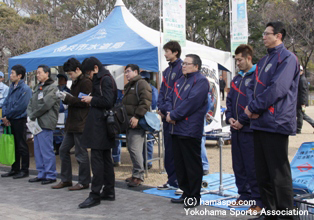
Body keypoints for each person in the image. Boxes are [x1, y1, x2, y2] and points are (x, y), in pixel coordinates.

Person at [245, 21, 299, 219]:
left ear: (279, 36)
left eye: (267, 34)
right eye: (263, 34)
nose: (264, 37)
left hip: (276, 123)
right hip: (259, 122)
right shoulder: (263, 61)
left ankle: (286, 215)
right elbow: (252, 87)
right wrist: (251, 108)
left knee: (278, 174)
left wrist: (254, 108)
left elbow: (278, 89)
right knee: (263, 172)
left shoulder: (287, 58)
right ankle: (270, 212)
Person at [166, 54, 209, 208]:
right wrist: (168, 113)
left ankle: (194, 196)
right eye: (183, 63)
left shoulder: (201, 81)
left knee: (192, 165)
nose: (183, 66)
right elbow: (170, 99)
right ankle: (185, 193)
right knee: (180, 164)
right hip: (176, 128)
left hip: (190, 129)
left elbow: (191, 103)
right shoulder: (179, 81)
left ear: (196, 66)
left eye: (187, 63)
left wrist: (174, 115)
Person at [225, 44, 262, 213]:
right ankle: (244, 195)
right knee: (238, 165)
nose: (237, 63)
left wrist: (243, 121)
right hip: (236, 130)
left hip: (250, 129)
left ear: (248, 58)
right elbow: (230, 101)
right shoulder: (236, 79)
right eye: (235, 60)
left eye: (239, 60)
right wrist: (230, 118)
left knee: (252, 166)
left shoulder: (258, 76)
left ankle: (258, 200)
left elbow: (257, 103)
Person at [78, 57, 117, 208]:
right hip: (101, 125)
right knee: (106, 160)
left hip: (100, 126)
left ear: (95, 68)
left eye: (89, 72)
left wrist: (91, 99)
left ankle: (95, 194)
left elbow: (108, 101)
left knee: (98, 160)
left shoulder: (104, 79)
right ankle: (108, 190)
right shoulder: (104, 78)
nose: (88, 76)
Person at [52, 58, 92, 191]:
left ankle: (84, 181)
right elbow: (76, 100)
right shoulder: (75, 82)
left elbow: (83, 101)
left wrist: (67, 98)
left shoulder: (86, 82)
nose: (70, 76)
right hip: (71, 123)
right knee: (63, 150)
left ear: (78, 70)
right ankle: (66, 179)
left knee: (81, 154)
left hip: (80, 123)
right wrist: (66, 97)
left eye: (70, 73)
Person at [27, 65, 60, 185]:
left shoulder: (52, 88)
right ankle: (41, 173)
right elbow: (31, 102)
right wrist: (30, 114)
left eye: (40, 73)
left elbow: (46, 104)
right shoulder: (38, 87)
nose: (38, 75)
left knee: (46, 150)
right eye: (37, 73)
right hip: (36, 123)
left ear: (47, 73)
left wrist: (33, 114)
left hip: (46, 122)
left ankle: (50, 174)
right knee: (38, 150)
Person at [157, 40, 183, 190]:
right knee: (168, 150)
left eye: (167, 51)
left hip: (174, 116)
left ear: (175, 52)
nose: (165, 54)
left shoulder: (181, 68)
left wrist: (167, 109)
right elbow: (162, 91)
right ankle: (171, 180)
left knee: (177, 150)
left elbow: (177, 92)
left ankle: (180, 181)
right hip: (165, 115)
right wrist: (160, 107)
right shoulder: (166, 71)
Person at [122, 64, 152, 187]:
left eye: (128, 71)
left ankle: (139, 176)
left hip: (137, 123)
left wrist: (137, 117)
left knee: (135, 149)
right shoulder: (129, 85)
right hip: (130, 122)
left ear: (135, 71)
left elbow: (145, 102)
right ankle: (135, 174)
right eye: (125, 72)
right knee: (131, 149)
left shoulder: (141, 84)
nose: (126, 74)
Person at [1, 65, 32, 179]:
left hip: (19, 119)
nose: (10, 75)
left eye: (12, 73)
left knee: (21, 145)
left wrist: (7, 116)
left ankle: (24, 170)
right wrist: (4, 115)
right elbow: (6, 102)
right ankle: (15, 168)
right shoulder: (11, 87)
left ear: (19, 76)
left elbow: (20, 106)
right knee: (13, 145)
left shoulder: (25, 89)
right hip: (9, 120)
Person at [140, 71, 158, 170]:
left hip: (150, 117)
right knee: (144, 140)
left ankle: (148, 162)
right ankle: (144, 161)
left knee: (149, 140)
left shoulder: (153, 90)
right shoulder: (151, 89)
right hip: (143, 115)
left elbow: (154, 104)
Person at [53, 73, 70, 155]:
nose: (60, 81)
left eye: (62, 79)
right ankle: (57, 148)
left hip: (64, 113)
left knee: (62, 131)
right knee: (55, 132)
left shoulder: (68, 91)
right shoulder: (55, 89)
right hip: (56, 113)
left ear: (66, 81)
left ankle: (63, 149)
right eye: (59, 79)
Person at [296, 65, 314, 134]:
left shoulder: (302, 80)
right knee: (301, 115)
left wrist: (303, 102)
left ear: (302, 71)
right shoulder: (300, 79)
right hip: (300, 100)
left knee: (300, 115)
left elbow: (303, 92)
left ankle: (298, 129)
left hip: (300, 101)